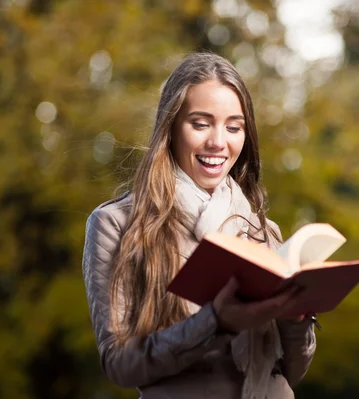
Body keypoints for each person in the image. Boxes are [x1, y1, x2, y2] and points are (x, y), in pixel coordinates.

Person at [82, 52, 316, 399]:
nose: (218, 142)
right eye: (201, 123)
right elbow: (120, 363)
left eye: (234, 127)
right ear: (171, 127)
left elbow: (292, 372)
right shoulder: (116, 224)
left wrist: (296, 320)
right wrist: (216, 322)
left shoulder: (263, 232)